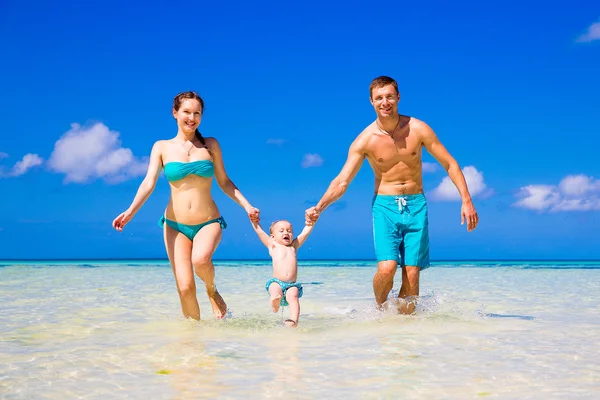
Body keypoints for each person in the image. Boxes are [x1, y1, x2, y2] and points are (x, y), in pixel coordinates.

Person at [305, 76, 479, 314]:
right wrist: (320, 206)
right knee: (387, 268)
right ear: (371, 102)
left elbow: (450, 164)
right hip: (385, 207)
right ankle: (380, 309)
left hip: (416, 205)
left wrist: (466, 200)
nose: (384, 102)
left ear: (398, 97)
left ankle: (404, 335)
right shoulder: (365, 140)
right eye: (379, 98)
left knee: (412, 273)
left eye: (389, 96)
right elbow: (342, 181)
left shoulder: (418, 129)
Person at [112, 91, 260, 321]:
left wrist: (247, 205)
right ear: (175, 113)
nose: (192, 118)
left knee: (200, 261)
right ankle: (193, 345)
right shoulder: (161, 147)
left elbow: (224, 181)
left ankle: (211, 290)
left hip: (208, 221)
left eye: (197, 113)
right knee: (185, 288)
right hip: (175, 225)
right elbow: (148, 183)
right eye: (186, 112)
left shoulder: (210, 145)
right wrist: (130, 212)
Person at [250, 219, 314, 328]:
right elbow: (259, 232)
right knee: (275, 290)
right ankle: (275, 303)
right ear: (273, 236)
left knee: (293, 296)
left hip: (292, 285)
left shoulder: (294, 246)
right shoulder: (272, 245)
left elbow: (305, 233)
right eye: (281, 231)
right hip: (277, 282)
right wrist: (254, 221)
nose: (286, 233)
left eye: (289, 231)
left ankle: (294, 320)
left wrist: (310, 224)